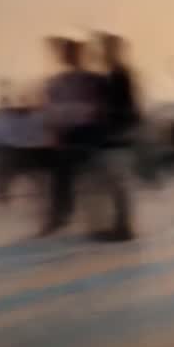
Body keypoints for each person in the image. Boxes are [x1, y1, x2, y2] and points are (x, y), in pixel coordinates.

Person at [39, 37, 106, 236]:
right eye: (67, 53)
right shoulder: (56, 83)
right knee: (60, 171)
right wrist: (56, 131)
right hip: (68, 135)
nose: (69, 57)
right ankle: (60, 214)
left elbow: (97, 110)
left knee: (76, 171)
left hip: (89, 134)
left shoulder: (94, 81)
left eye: (74, 53)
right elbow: (51, 112)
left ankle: (84, 215)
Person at [87, 33, 141, 241]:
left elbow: (129, 110)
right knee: (115, 185)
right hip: (112, 138)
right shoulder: (111, 76)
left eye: (105, 49)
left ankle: (124, 228)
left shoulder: (121, 76)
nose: (101, 53)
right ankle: (119, 225)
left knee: (120, 185)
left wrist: (111, 119)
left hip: (118, 138)